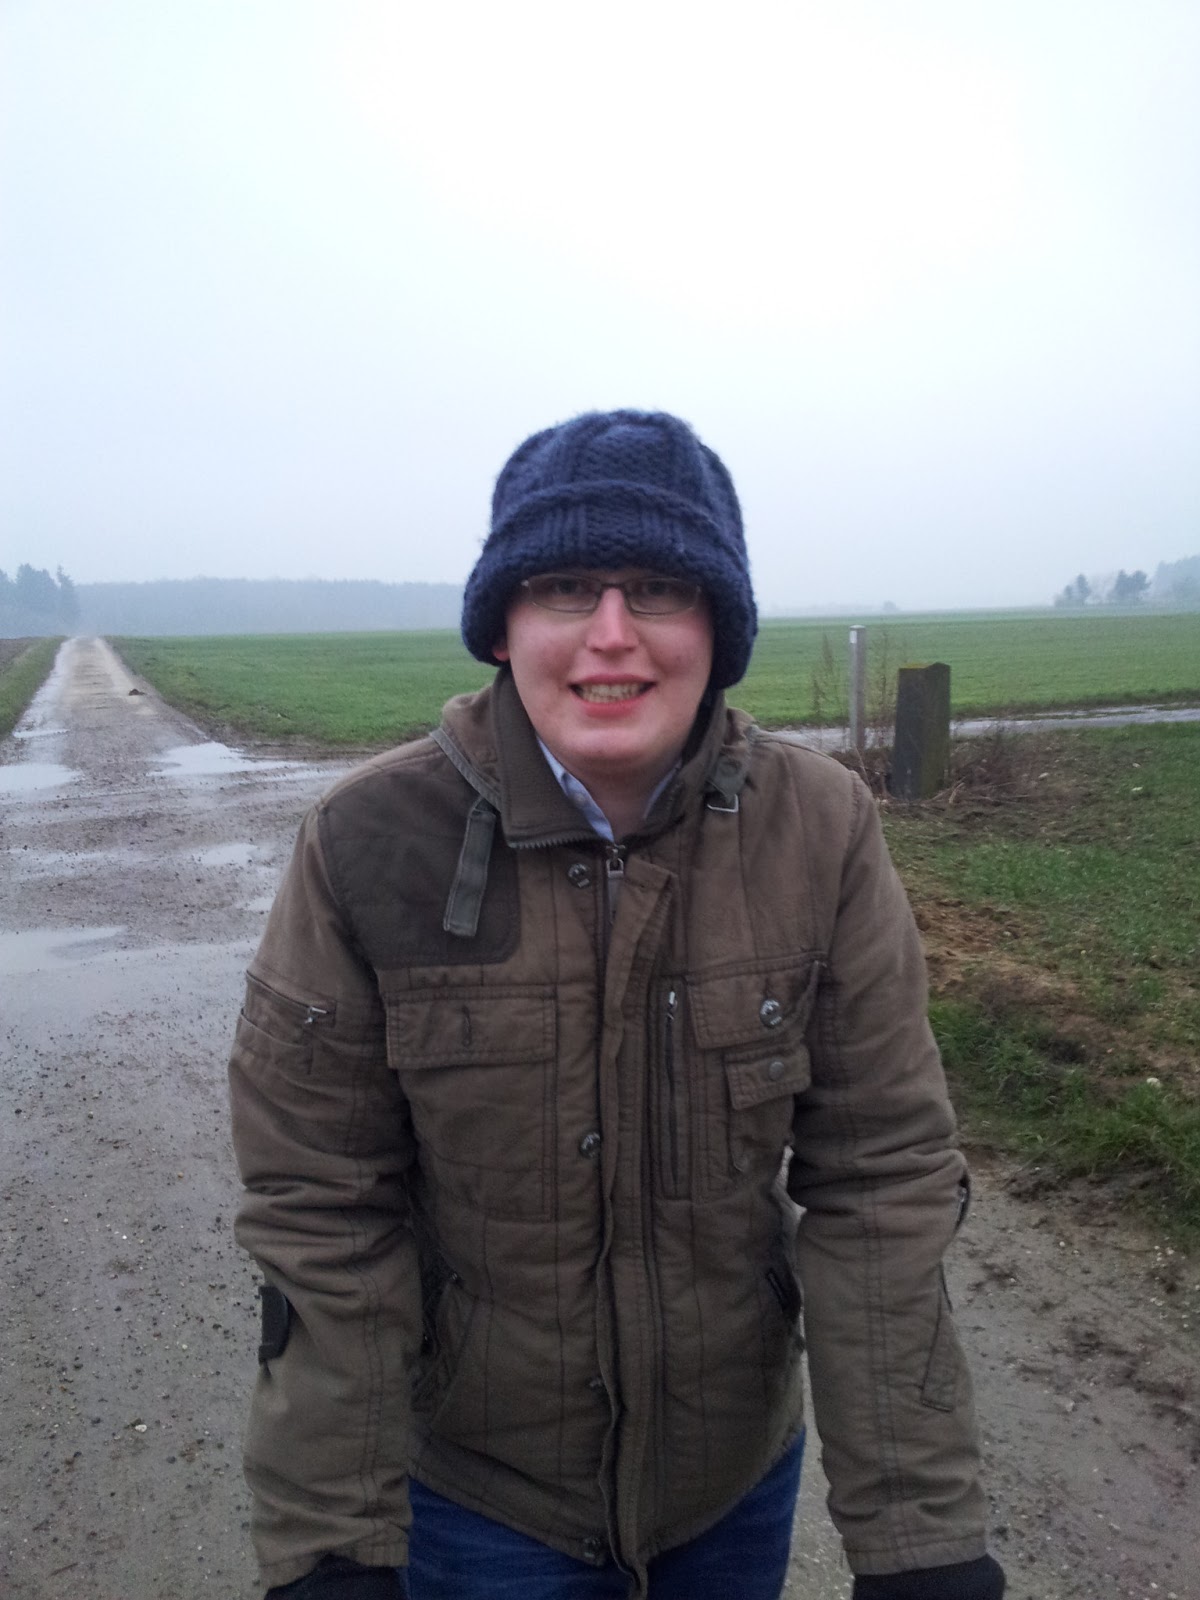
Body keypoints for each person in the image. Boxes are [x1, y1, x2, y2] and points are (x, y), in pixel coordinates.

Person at [228, 409, 1005, 1600]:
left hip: (729, 1494)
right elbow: (322, 1207)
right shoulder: (366, 842)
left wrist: (920, 1542)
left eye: (657, 587)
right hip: (479, 1504)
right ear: (502, 625)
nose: (609, 633)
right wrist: (333, 1549)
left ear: (719, 627)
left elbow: (881, 1174)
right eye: (563, 587)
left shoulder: (822, 830)